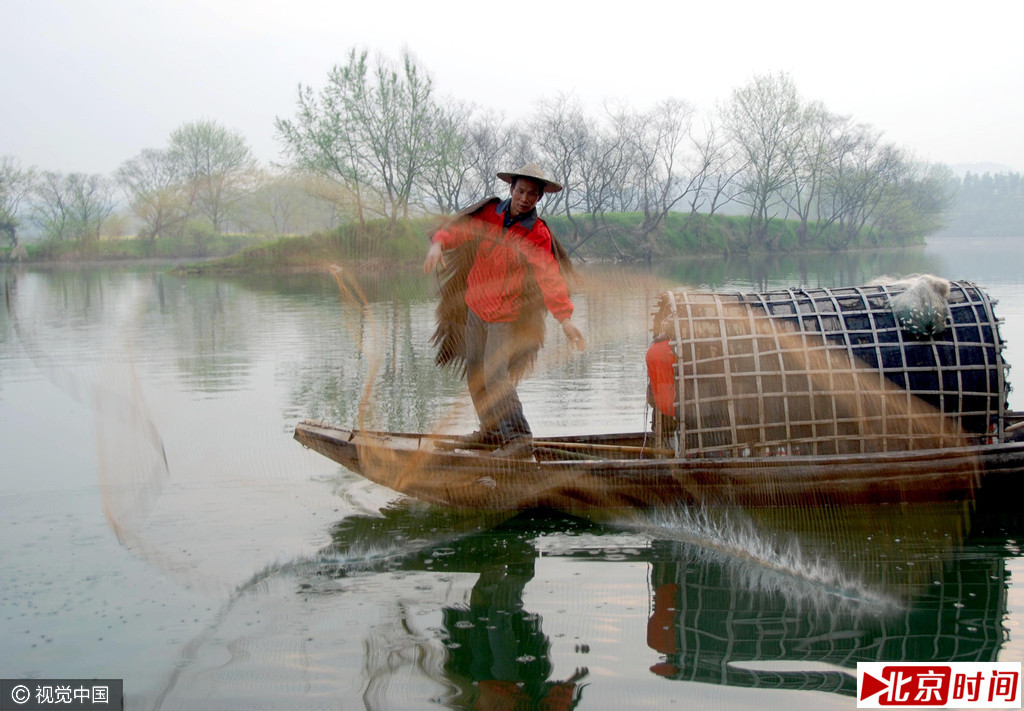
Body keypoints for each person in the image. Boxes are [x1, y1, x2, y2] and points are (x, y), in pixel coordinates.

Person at [424, 162, 585, 459]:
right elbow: (457, 231)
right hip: (476, 308)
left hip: (505, 315)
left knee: (496, 376)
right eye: (521, 191)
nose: (525, 198)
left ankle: (520, 438)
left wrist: (565, 319)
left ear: (539, 199)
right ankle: (491, 432)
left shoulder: (536, 233)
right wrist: (438, 244)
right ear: (511, 189)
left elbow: (549, 277)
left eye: (532, 194)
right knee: (476, 373)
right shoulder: (490, 214)